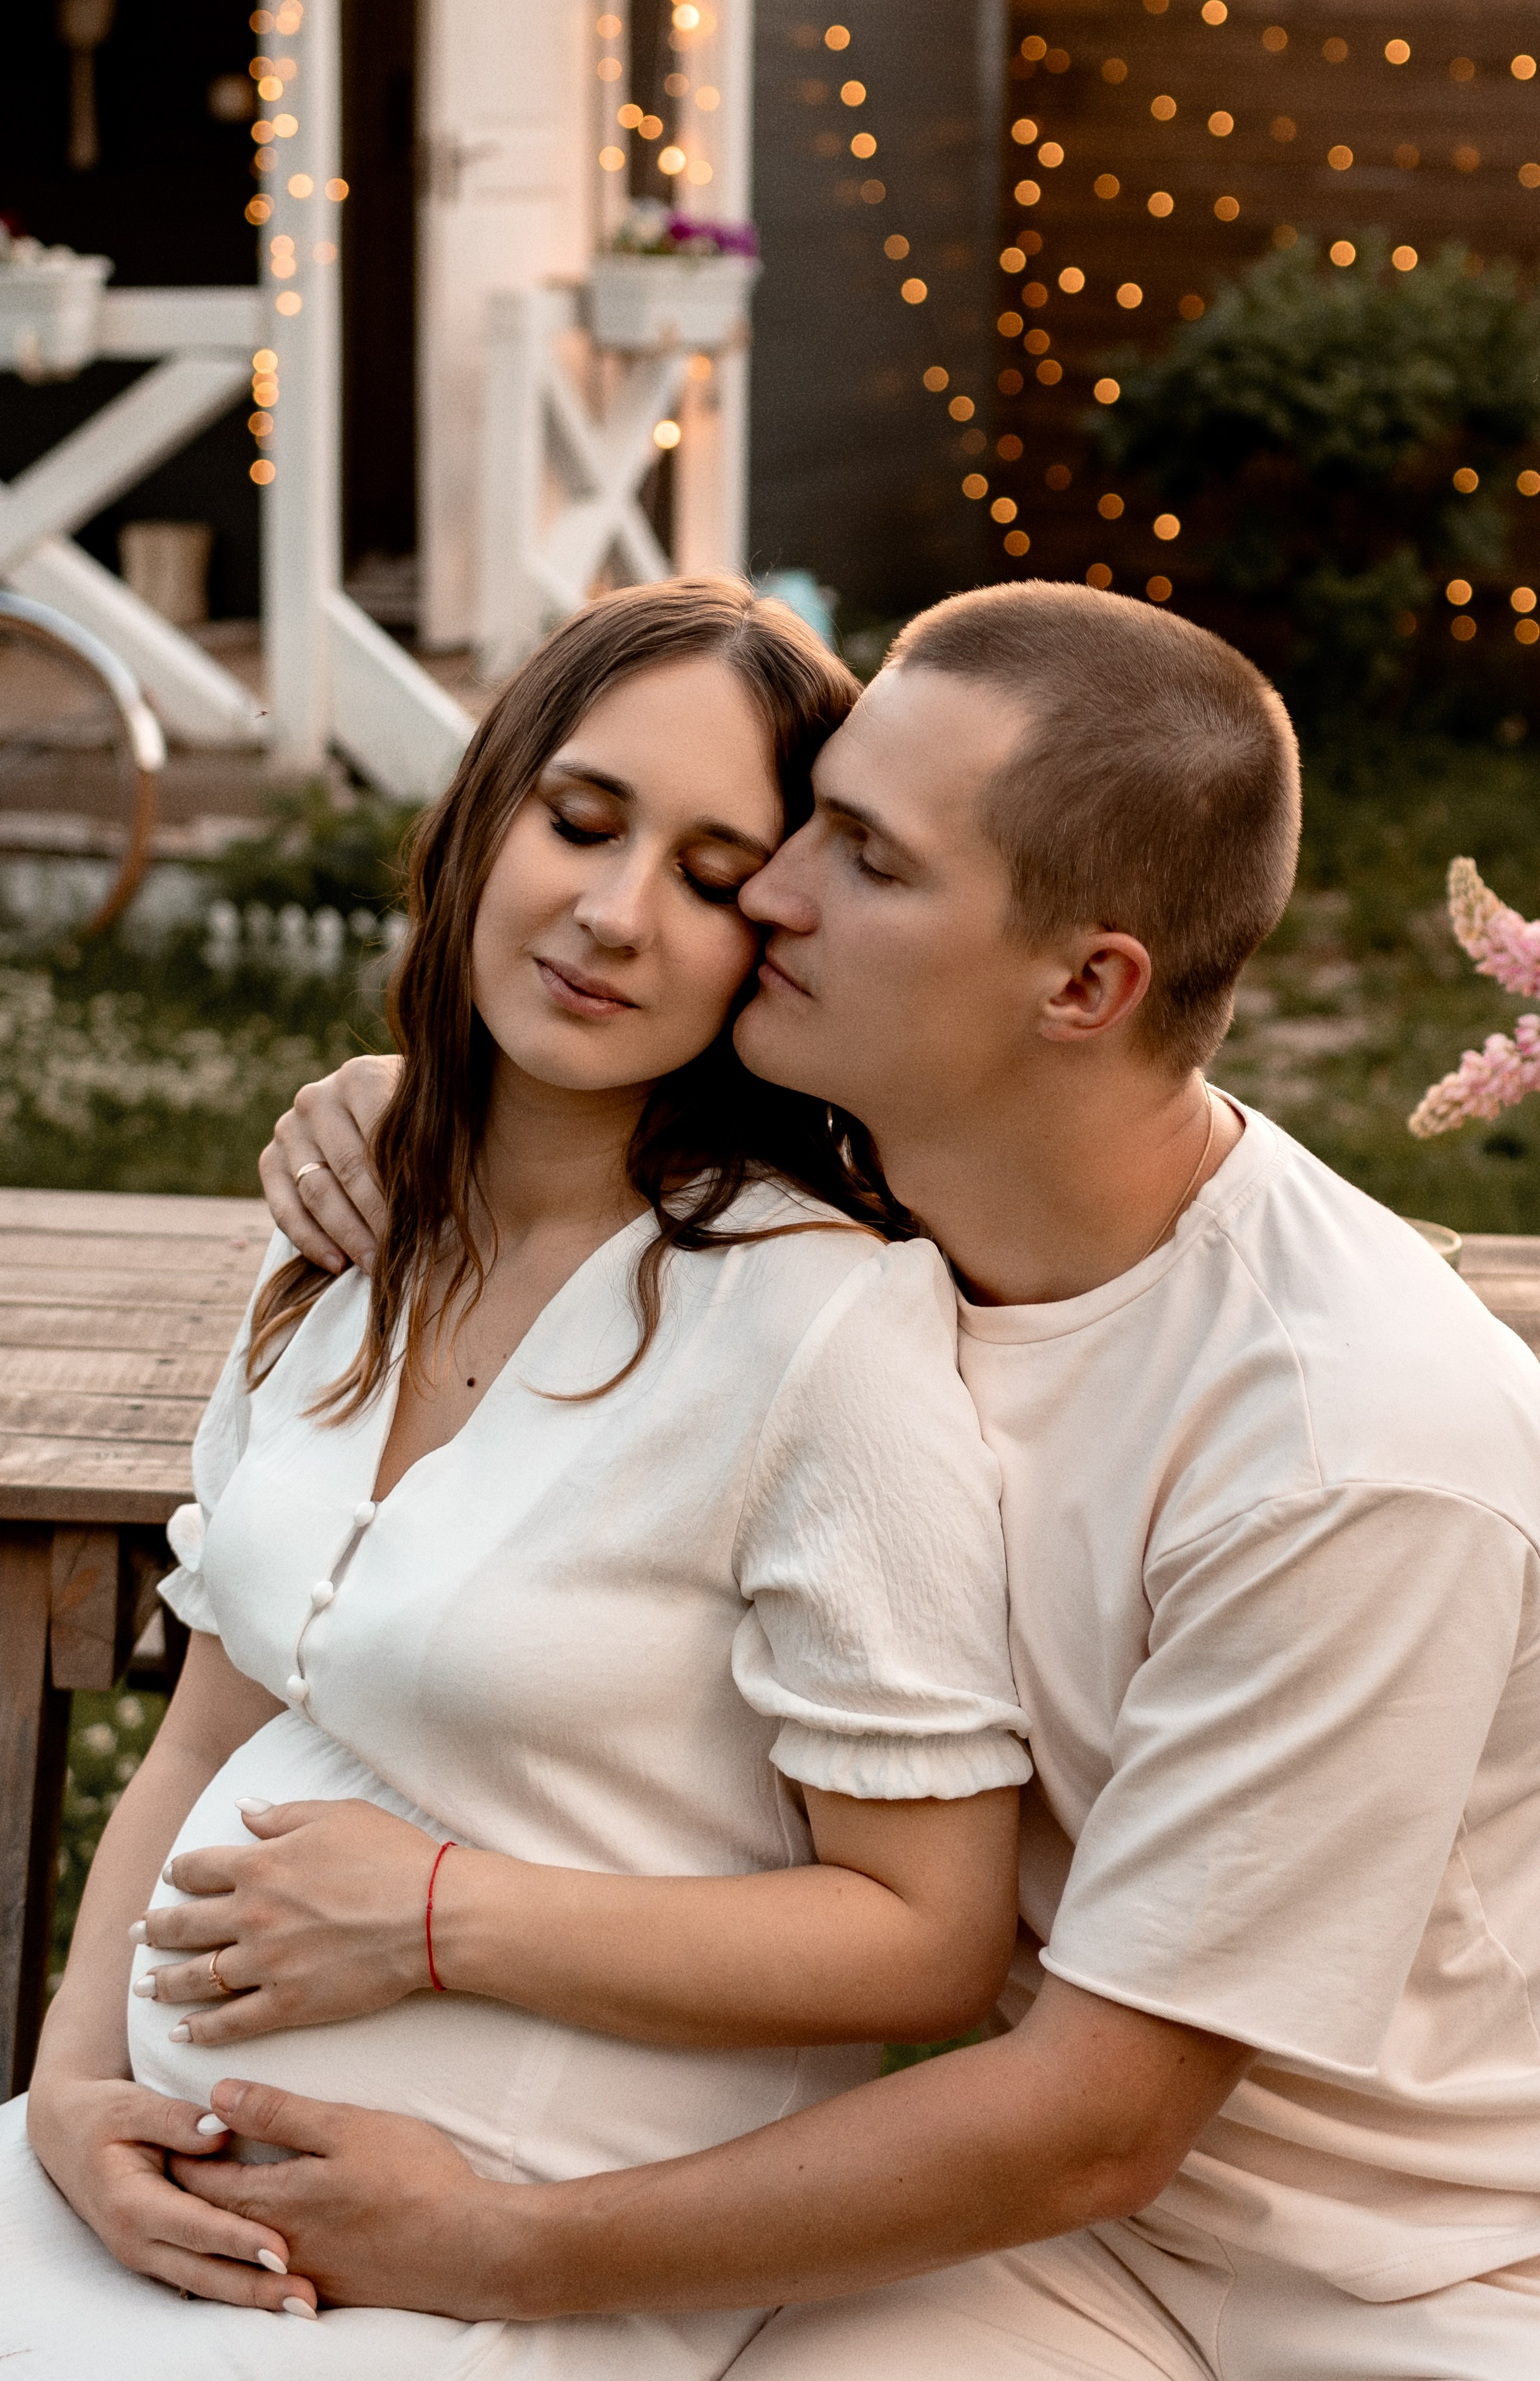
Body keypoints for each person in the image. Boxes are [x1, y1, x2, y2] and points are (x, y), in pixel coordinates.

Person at [231, 580, 1540, 2378]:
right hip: (1048, 2240)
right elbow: (574, 1106)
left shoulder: (1345, 1448)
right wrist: (416, 1103)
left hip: (1408, 2285)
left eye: (866, 859)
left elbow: (1101, 2117)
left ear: (1083, 986)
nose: (770, 892)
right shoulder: (891, 1184)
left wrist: (490, 2246)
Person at [2, 576, 1035, 2381]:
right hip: (153, 2195)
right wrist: (75, 2102)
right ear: (486, 816)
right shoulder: (346, 1241)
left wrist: (434, 1926)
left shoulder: (817, 1328)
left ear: (776, 934)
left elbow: (929, 1942)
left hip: (523, 2255)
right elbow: (203, 1736)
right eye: (581, 820)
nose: (616, 915)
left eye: (711, 876)